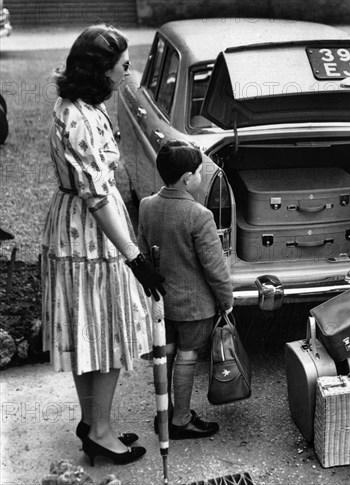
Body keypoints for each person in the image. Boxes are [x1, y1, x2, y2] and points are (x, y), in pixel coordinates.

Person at [41, 25, 166, 466]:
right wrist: (134, 256)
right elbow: (95, 196)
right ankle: (99, 430)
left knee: (86, 331)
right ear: (102, 69)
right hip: (91, 235)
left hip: (78, 227)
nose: (128, 72)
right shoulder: (78, 119)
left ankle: (93, 422)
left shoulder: (78, 104)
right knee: (105, 333)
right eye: (124, 66)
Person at [137, 140, 234, 440]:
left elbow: (141, 252)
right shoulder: (200, 215)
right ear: (187, 178)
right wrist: (226, 301)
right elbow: (214, 267)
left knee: (164, 353)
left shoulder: (146, 205)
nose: (201, 176)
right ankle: (181, 420)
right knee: (188, 356)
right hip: (194, 306)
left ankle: (163, 414)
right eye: (198, 172)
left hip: (161, 301)